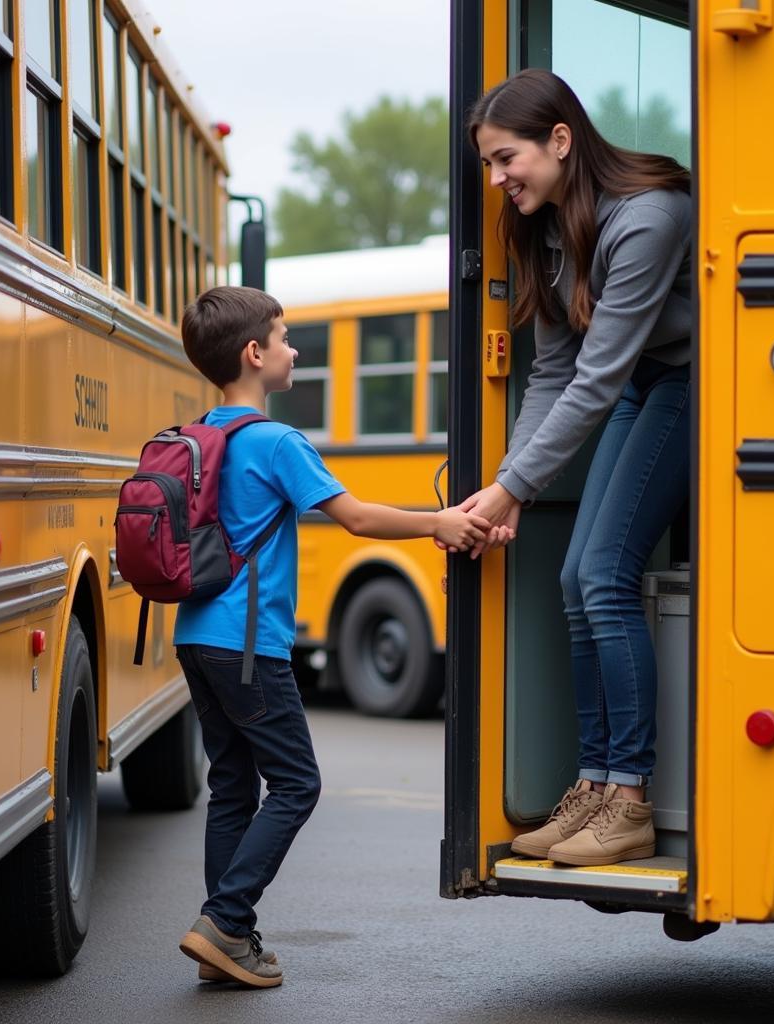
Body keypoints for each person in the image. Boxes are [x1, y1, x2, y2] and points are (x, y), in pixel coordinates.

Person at [173, 285, 490, 988]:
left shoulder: (205, 435)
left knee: (232, 786)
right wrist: (436, 523)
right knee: (296, 783)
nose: (294, 350)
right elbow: (356, 519)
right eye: (285, 339)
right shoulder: (276, 441)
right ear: (255, 355)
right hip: (248, 641)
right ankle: (224, 919)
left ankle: (233, 944)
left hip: (195, 633)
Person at [464, 68, 692, 867]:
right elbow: (553, 371)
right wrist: (511, 482)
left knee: (605, 574)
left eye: (505, 159)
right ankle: (594, 784)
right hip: (640, 382)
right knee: (573, 580)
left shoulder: (650, 217)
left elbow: (597, 377)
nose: (498, 181)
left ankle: (629, 797)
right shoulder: (548, 230)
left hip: (695, 381)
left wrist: (508, 488)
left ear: (560, 140)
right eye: (489, 166)